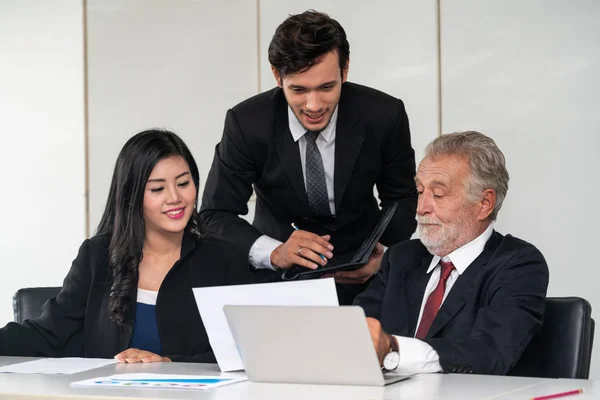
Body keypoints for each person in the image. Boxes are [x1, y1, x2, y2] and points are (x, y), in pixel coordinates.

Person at [200, 10, 417, 305]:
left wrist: (382, 254)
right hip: (275, 279)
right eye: (298, 90)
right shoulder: (247, 123)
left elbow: (402, 198)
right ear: (278, 76)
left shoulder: (383, 116)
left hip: (365, 280)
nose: (314, 105)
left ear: (345, 70)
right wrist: (274, 253)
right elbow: (215, 214)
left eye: (327, 87)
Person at [0, 129, 249, 362]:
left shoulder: (224, 259)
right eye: (158, 188)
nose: (175, 198)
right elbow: (47, 333)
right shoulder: (97, 255)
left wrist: (168, 364)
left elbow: (241, 351)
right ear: (131, 195)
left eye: (183, 183)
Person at [356, 131, 549, 375]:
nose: (421, 208)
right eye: (420, 191)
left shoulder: (518, 264)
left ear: (484, 203)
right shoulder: (401, 258)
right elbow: (356, 332)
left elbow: (490, 354)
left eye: (438, 194)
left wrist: (394, 348)